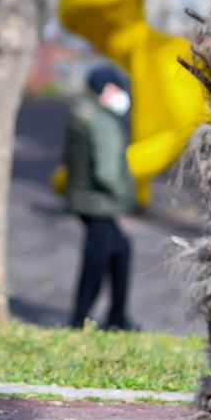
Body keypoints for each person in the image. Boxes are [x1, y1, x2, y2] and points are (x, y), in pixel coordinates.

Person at [62, 66, 138, 331]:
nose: (122, 96)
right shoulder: (101, 121)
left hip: (87, 199)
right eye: (118, 89)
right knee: (99, 259)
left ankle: (115, 317)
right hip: (99, 202)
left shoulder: (84, 115)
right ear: (106, 90)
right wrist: (124, 197)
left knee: (119, 251)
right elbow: (106, 171)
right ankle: (82, 318)